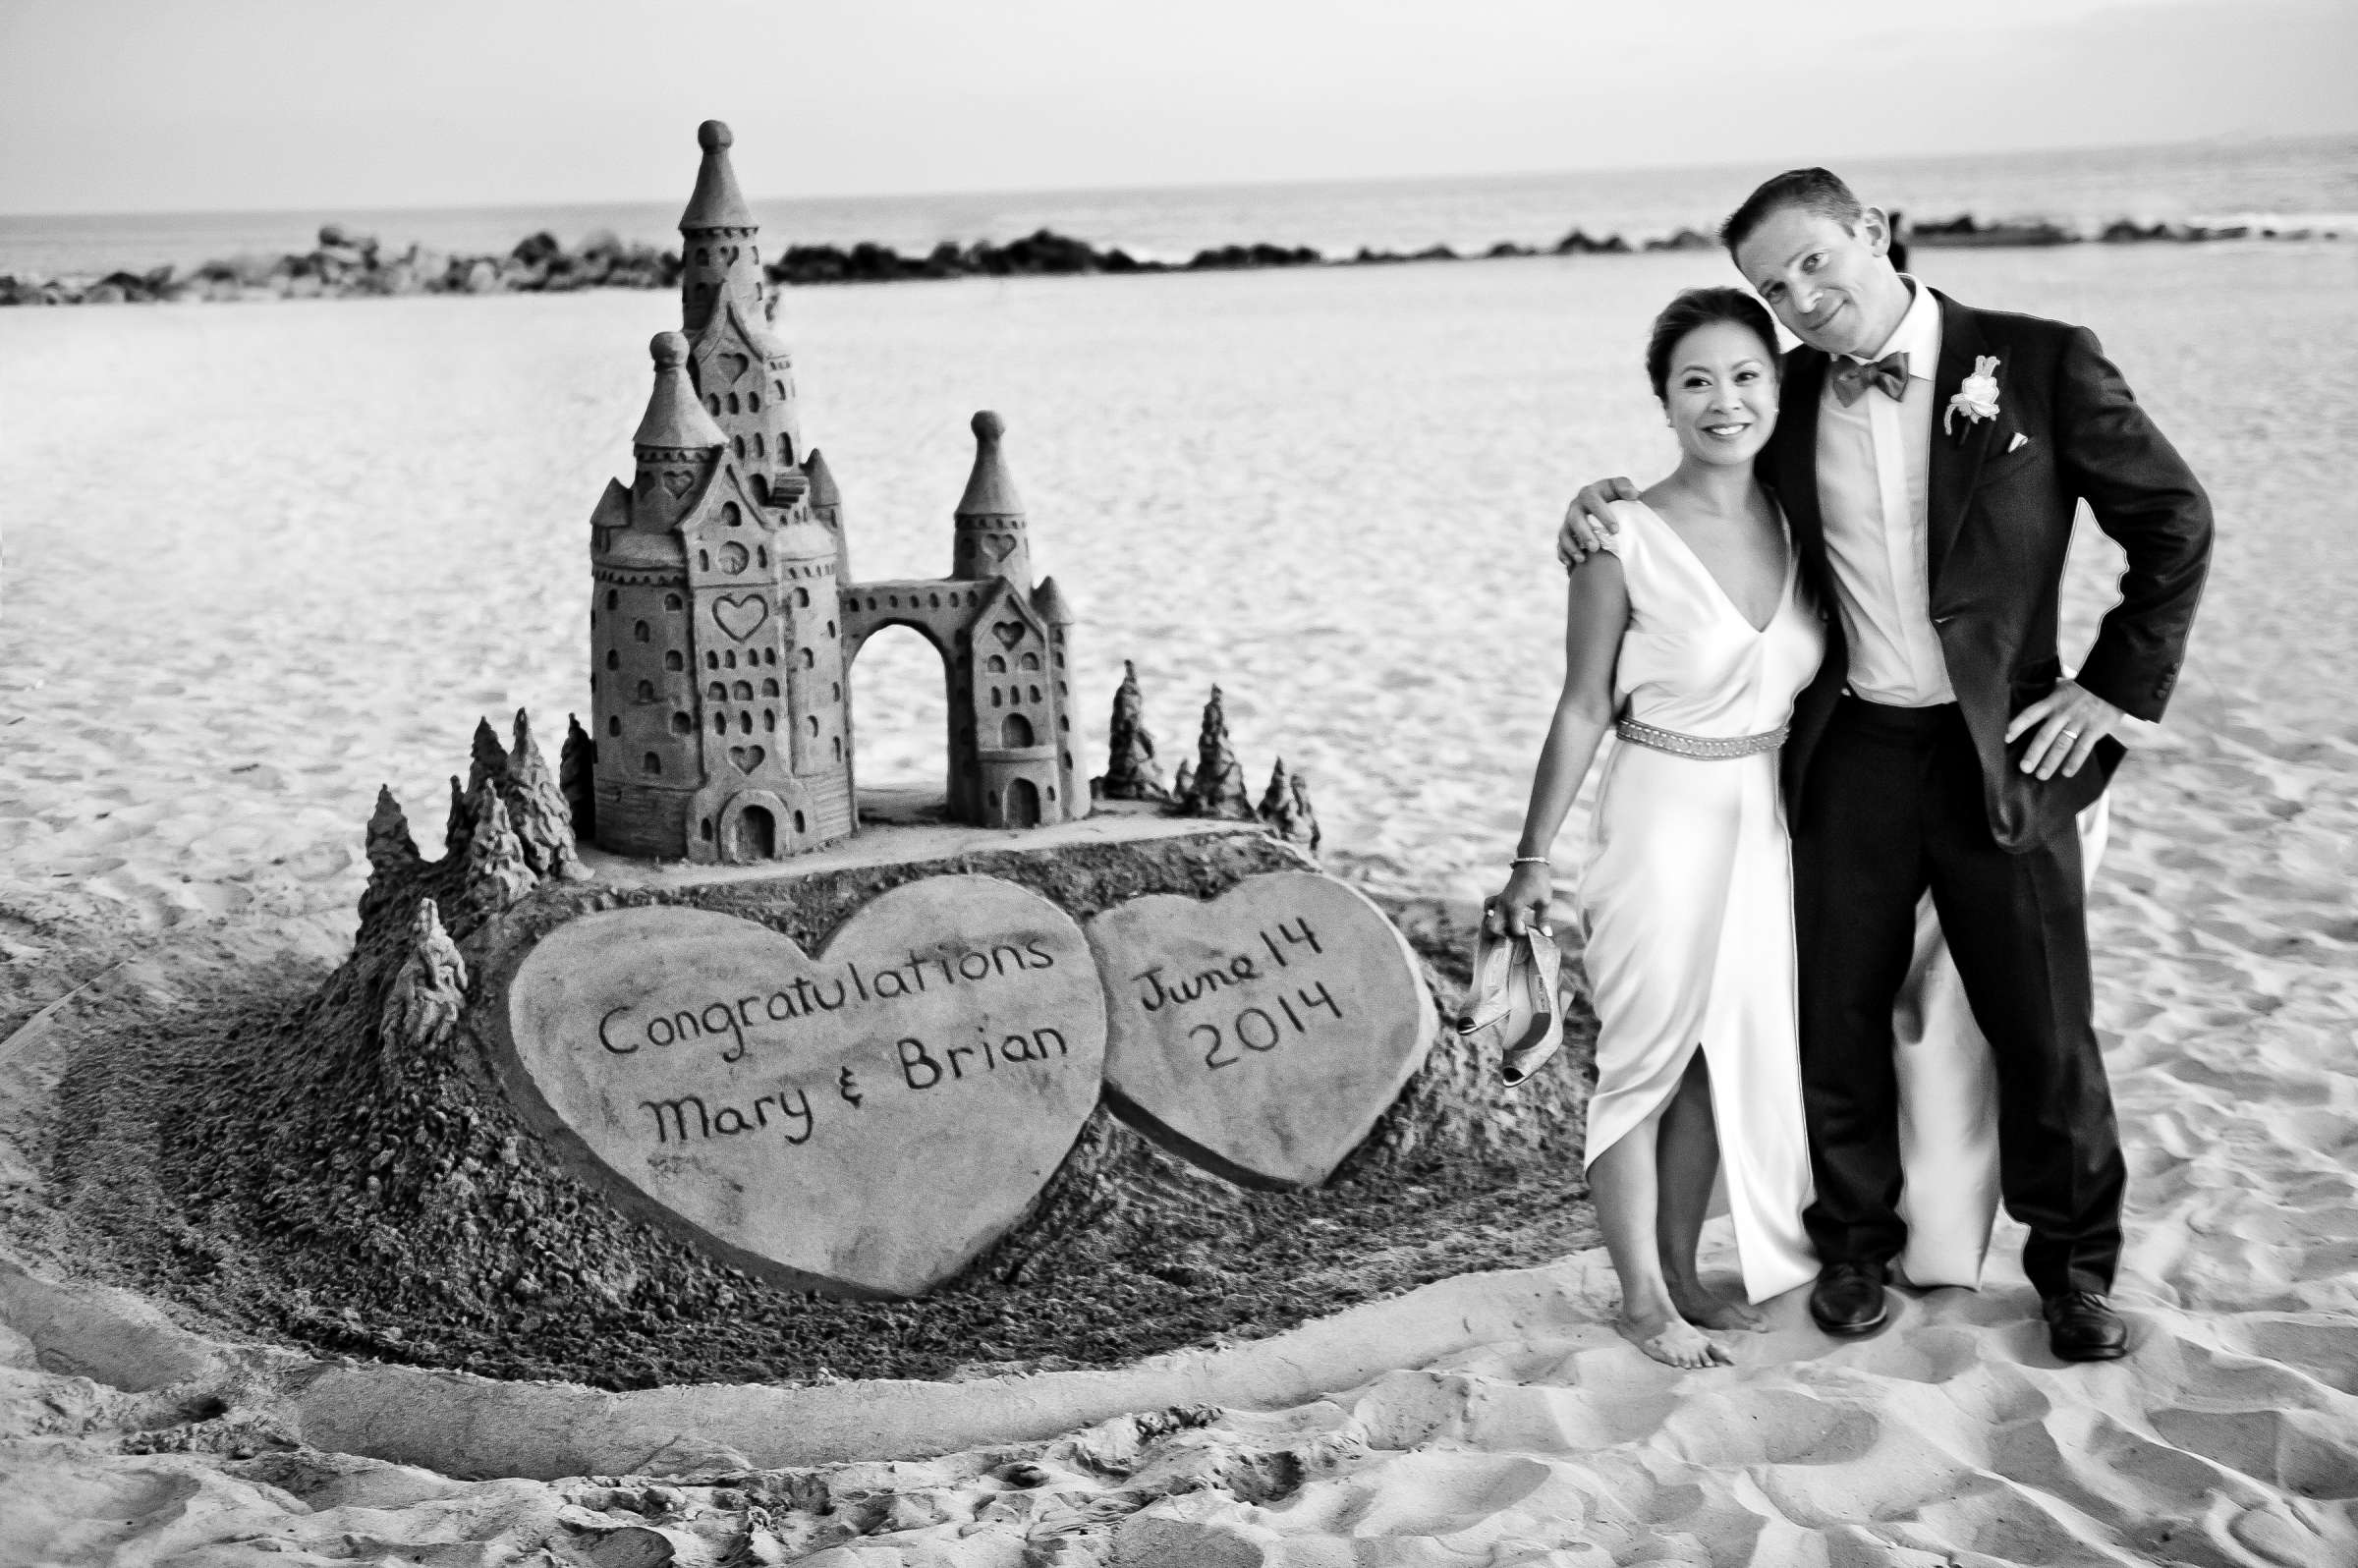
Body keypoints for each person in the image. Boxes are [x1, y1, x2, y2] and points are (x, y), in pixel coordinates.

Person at [1557, 169, 2212, 1363]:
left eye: (1815, 262)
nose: (1800, 298)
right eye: (1773, 286)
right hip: (1852, 745)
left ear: (1872, 231)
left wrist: (2115, 691)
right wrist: (1597, 503)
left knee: (2044, 1024)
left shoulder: (2041, 360)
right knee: (1835, 1010)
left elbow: (2174, 519)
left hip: (2006, 745)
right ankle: (1851, 1249)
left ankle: (2074, 1275)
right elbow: (1701, 482)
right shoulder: (1787, 394)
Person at [1488, 286, 1821, 1369]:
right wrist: (1531, 859)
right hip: (1658, 815)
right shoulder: (1617, 537)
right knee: (1644, 1056)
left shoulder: (1804, 518)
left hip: (1765, 817)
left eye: (1745, 377)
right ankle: (1639, 1299)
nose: (1724, 401)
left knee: (1725, 1058)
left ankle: (1682, 1274)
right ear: (1664, 404)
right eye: (1697, 382)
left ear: (1779, 389)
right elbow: (1583, 702)